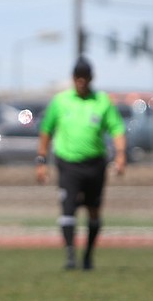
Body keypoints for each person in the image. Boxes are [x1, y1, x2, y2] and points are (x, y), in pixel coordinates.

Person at [34, 57, 127, 271]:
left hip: (95, 164)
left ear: (91, 78)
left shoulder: (102, 101)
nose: (81, 81)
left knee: (94, 210)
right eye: (77, 77)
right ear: (72, 78)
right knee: (68, 209)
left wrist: (120, 155)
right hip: (68, 163)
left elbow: (117, 129)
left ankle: (88, 255)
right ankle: (70, 255)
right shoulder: (60, 101)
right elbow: (46, 131)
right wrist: (41, 161)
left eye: (85, 77)